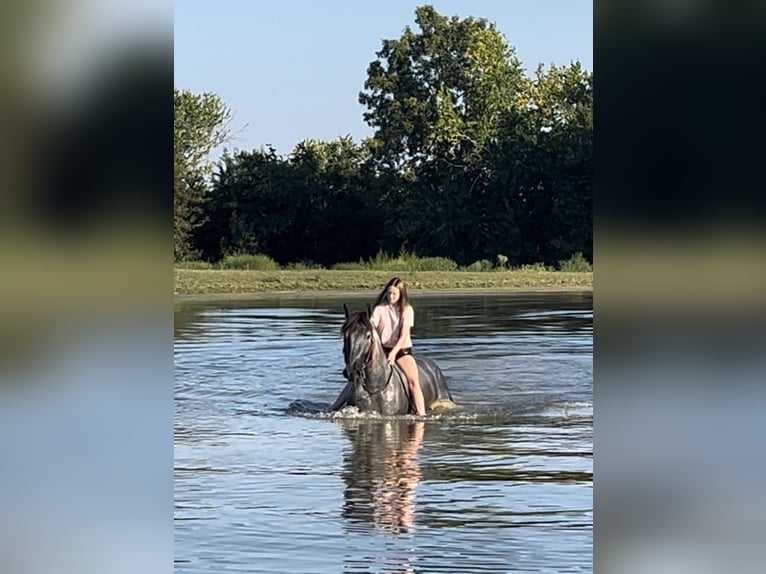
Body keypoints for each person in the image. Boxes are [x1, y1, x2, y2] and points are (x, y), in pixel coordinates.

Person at [369, 277, 426, 416]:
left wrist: (394, 353)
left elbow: (403, 336)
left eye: (394, 294)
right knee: (357, 377)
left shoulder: (407, 310)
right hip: (382, 350)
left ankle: (422, 415)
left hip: (401, 352)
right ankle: (333, 409)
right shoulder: (379, 309)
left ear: (401, 294)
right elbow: (371, 326)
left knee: (413, 382)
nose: (391, 296)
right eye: (389, 293)